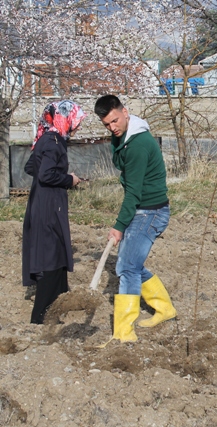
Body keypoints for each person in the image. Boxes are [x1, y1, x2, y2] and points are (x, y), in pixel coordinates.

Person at [94, 95, 176, 343]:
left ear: (126, 112)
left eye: (115, 121)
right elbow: (120, 163)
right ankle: (165, 309)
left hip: (150, 212)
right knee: (131, 264)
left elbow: (133, 193)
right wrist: (115, 136)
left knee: (127, 268)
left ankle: (123, 331)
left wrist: (119, 226)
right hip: (143, 210)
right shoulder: (125, 138)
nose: (112, 127)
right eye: (107, 125)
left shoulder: (138, 145)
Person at [22, 100, 86, 324]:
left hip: (41, 202)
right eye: (76, 121)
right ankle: (41, 315)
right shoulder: (55, 141)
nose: (77, 126)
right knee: (51, 255)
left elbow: (31, 167)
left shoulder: (45, 138)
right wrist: (70, 179)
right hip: (50, 205)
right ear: (64, 118)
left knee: (56, 252)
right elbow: (46, 175)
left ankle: (55, 308)